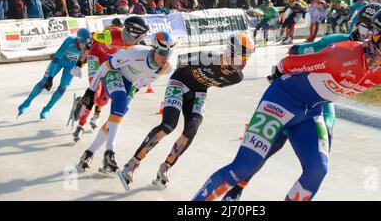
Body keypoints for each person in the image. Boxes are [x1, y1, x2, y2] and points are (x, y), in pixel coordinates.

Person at [193, 8, 381, 201]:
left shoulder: (379, 76)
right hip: (282, 101)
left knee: (318, 170)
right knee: (243, 166)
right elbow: (287, 63)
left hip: (311, 111)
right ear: (375, 36)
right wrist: (278, 74)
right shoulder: (342, 53)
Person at [118, 33, 255, 190]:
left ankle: (166, 167)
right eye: (241, 57)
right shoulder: (207, 57)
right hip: (180, 82)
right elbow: (180, 62)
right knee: (168, 125)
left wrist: (199, 83)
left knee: (191, 130)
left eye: (247, 58)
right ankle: (133, 163)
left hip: (199, 92)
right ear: (230, 52)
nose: (244, 62)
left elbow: (213, 83)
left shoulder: (237, 77)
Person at [76, 31, 175, 174]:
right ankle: (110, 152)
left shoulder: (166, 68)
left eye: (169, 53)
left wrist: (130, 97)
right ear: (153, 49)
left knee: (117, 116)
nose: (165, 57)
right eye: (161, 52)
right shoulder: (135, 53)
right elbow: (104, 67)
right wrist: (90, 91)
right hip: (113, 71)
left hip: (130, 83)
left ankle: (88, 153)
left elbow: (139, 85)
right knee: (120, 100)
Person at [70, 16, 150, 142]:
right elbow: (90, 40)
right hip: (95, 56)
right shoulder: (110, 35)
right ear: (132, 32)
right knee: (95, 89)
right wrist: (78, 64)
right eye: (141, 35)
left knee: (103, 99)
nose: (142, 38)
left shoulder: (136, 43)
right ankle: (80, 125)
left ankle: (94, 112)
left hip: (110, 62)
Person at [17, 29, 92, 119]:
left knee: (63, 86)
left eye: (86, 45)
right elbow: (55, 59)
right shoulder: (69, 41)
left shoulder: (89, 46)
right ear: (78, 41)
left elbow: (85, 60)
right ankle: (27, 102)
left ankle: (47, 109)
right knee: (44, 81)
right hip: (59, 61)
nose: (84, 47)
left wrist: (79, 67)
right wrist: (50, 78)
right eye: (83, 44)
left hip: (71, 65)